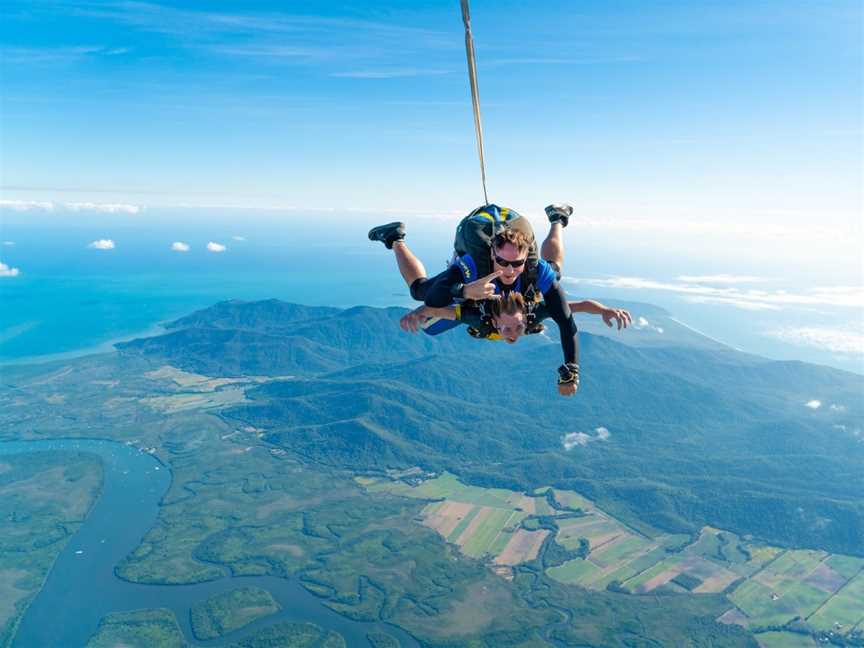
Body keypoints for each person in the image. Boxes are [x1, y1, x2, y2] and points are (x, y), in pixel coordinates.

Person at [369, 204, 579, 396]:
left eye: (516, 263)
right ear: (492, 255)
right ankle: (395, 238)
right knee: (418, 290)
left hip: (508, 256)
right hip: (474, 253)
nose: (509, 269)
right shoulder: (474, 265)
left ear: (526, 259)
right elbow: (432, 299)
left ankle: (557, 217)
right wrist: (465, 291)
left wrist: (571, 368)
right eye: (501, 261)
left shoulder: (537, 270)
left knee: (555, 271)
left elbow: (566, 321)